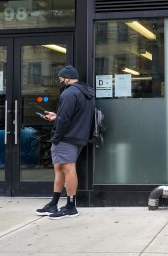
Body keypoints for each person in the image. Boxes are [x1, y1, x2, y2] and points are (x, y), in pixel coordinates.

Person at [35, 65, 94, 219]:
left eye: (61, 78)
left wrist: (56, 137)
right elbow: (72, 116)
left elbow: (65, 119)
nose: (60, 81)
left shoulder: (69, 93)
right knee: (60, 169)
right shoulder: (84, 92)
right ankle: (54, 203)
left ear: (67, 78)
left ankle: (71, 206)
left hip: (66, 137)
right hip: (77, 136)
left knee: (67, 169)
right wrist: (56, 116)